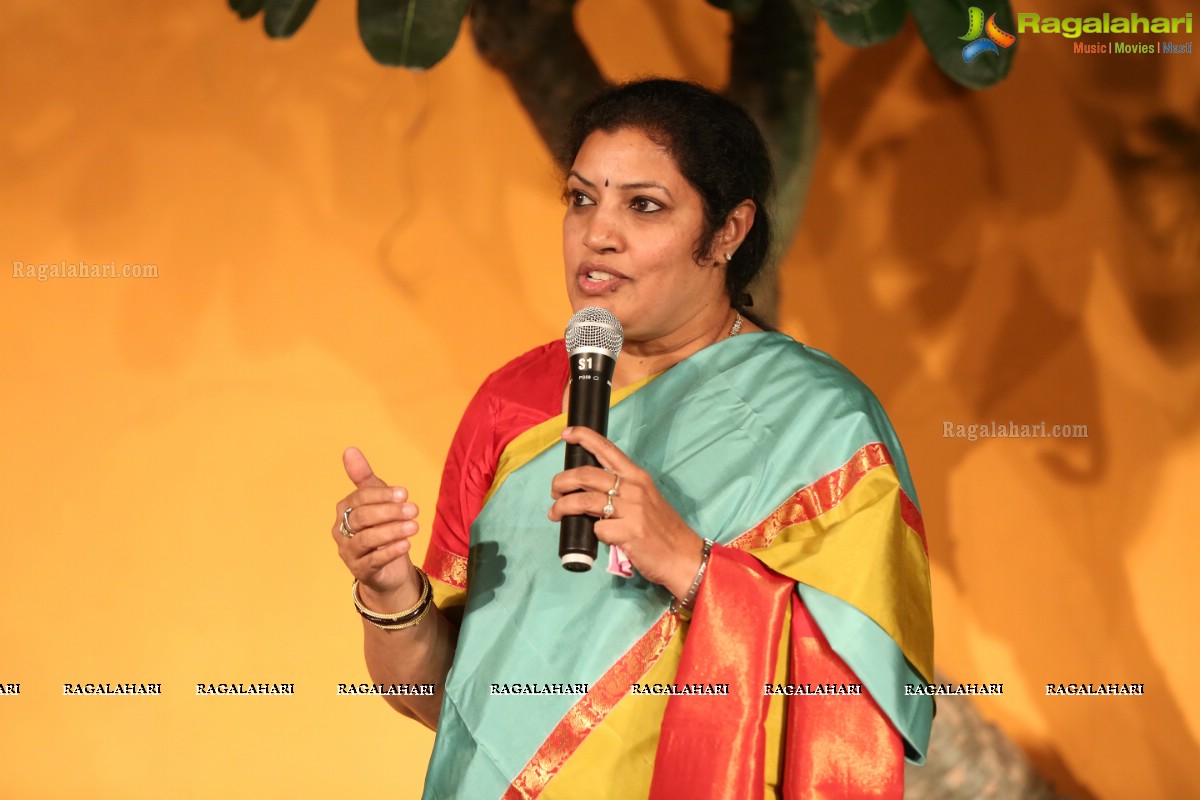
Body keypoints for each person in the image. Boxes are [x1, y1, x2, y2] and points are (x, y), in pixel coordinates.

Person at [331, 78, 933, 799]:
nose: (597, 233)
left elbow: (858, 716)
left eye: (643, 206)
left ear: (727, 232)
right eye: (582, 198)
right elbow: (447, 700)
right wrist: (389, 589)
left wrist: (689, 564)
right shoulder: (511, 403)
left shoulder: (823, 425)